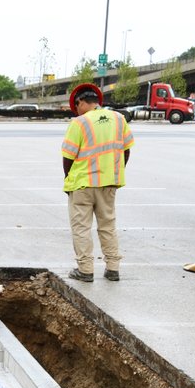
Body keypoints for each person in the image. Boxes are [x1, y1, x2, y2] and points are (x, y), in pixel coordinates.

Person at [61, 85, 134, 283]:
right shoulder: (119, 119)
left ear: (82, 103)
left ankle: (85, 270)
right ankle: (112, 268)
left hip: (82, 185)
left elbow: (68, 157)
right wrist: (116, 171)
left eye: (76, 106)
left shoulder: (80, 123)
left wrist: (69, 178)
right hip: (109, 183)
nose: (76, 110)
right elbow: (126, 149)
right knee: (108, 226)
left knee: (81, 228)